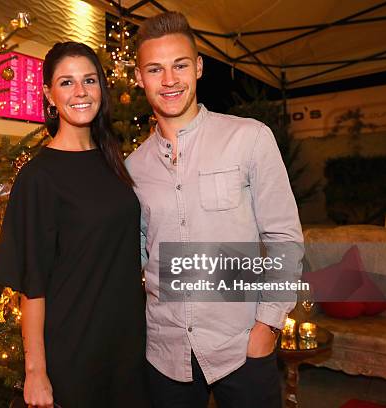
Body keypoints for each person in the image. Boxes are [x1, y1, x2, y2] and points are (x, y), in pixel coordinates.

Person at [125, 12, 304, 408]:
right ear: (139, 77)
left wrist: (267, 326)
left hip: (241, 346)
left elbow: (284, 239)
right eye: (155, 69)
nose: (169, 80)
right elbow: (133, 256)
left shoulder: (249, 138)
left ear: (200, 67)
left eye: (180, 65)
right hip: (164, 354)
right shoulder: (132, 168)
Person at [0, 42, 149, 408]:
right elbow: (33, 285)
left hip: (127, 345)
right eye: (66, 82)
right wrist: (35, 372)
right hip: (74, 350)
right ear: (49, 94)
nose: (80, 92)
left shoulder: (113, 160)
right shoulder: (38, 177)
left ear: (101, 88)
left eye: (89, 80)